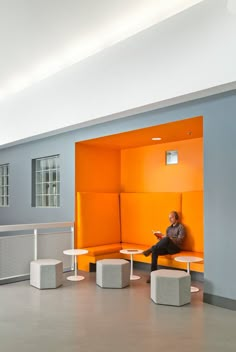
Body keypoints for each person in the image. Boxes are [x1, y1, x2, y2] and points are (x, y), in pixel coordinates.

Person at [143, 211, 185, 283]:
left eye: (171, 217)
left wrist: (169, 238)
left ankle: (150, 249)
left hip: (175, 248)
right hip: (167, 247)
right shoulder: (168, 228)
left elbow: (180, 240)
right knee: (155, 251)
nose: (170, 219)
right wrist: (160, 238)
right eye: (169, 218)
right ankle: (153, 275)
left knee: (166, 239)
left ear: (176, 218)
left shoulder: (181, 227)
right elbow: (166, 241)